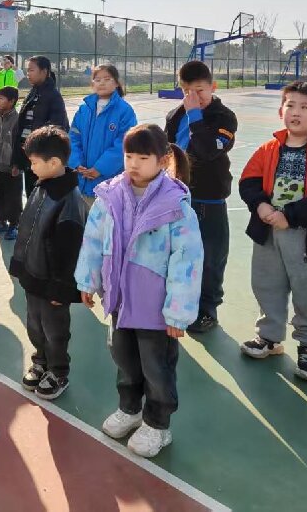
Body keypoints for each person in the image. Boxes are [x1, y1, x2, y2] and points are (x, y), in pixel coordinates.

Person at [76, 124, 203, 458]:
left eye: (143, 157)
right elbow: (93, 240)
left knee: (157, 368)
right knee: (124, 359)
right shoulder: (110, 196)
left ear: (162, 160)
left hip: (156, 308)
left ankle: (158, 424)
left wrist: (178, 312)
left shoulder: (175, 205)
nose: (133, 164)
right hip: (120, 300)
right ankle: (130, 409)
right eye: (129, 156)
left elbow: (187, 261)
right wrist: (88, 280)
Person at [238, 81, 307, 383]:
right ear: (280, 111)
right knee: (266, 285)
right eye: (290, 106)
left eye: (304, 107)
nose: (296, 112)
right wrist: (261, 205)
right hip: (268, 233)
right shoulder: (268, 149)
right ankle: (269, 337)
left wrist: (290, 217)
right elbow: (249, 181)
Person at [9, 126, 86, 400]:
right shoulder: (41, 187)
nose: (31, 167)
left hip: (53, 284)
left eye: (33, 162)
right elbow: (27, 228)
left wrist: (61, 288)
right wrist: (19, 263)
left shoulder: (70, 202)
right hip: (34, 275)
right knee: (34, 324)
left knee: (55, 330)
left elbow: (69, 253)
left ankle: (58, 371)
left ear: (53, 163)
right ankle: (40, 361)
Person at [165, 60, 237, 334]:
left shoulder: (224, 118)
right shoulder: (175, 115)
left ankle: (207, 309)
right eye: (187, 91)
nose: (193, 97)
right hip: (177, 197)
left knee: (210, 257)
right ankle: (177, 303)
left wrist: (195, 115)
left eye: (199, 91)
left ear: (213, 86)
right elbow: (167, 152)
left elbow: (208, 151)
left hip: (209, 200)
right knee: (176, 253)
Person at [68, 65, 137, 205]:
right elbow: (73, 138)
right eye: (97, 80)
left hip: (110, 184)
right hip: (82, 181)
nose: (102, 83)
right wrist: (76, 163)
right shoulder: (84, 110)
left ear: (116, 83)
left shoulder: (125, 111)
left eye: (107, 79)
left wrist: (100, 168)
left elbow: (124, 144)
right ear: (92, 84)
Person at [12, 55, 68, 196]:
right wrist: (17, 160)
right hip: (29, 156)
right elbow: (21, 127)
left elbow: (57, 128)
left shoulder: (54, 96)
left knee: (43, 197)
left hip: (43, 158)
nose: (28, 74)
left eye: (31, 70)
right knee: (31, 196)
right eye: (27, 70)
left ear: (44, 72)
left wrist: (41, 152)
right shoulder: (32, 93)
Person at [0, 85, 22, 239]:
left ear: (12, 101)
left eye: (2, 98)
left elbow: (19, 145)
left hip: (11, 167)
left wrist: (17, 164)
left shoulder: (17, 120)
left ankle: (14, 224)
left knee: (13, 196)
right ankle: (0, 221)